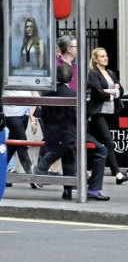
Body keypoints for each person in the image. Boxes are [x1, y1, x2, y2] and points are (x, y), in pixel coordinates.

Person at [33, 64, 106, 200]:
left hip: (52, 135)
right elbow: (80, 117)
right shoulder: (73, 95)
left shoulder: (46, 94)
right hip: (71, 135)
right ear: (70, 78)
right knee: (101, 150)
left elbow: (43, 115)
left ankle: (66, 190)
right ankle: (94, 189)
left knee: (66, 150)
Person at [85, 46, 126, 185]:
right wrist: (112, 91)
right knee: (108, 142)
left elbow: (121, 89)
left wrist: (112, 91)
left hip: (110, 111)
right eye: (102, 56)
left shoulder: (111, 73)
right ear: (95, 59)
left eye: (106, 55)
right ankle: (118, 173)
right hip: (97, 112)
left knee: (95, 143)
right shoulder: (93, 74)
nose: (105, 58)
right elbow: (98, 92)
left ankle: (88, 170)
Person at [3, 89, 37, 182]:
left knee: (12, 145)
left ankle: (0, 173)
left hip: (24, 112)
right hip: (11, 113)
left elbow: (35, 93)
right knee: (22, 142)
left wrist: (31, 114)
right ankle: (32, 177)